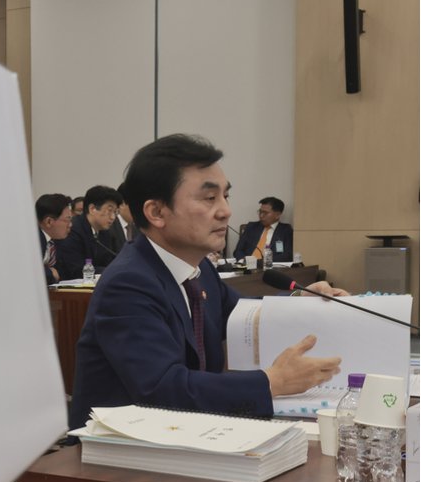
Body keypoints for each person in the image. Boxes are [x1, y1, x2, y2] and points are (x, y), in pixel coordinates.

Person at [67, 134, 345, 429]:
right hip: (123, 445)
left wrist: (300, 301)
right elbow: (161, 388)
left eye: (226, 196)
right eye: (210, 198)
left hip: (190, 433)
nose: (226, 211)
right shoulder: (129, 283)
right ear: (157, 212)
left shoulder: (200, 270)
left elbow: (243, 314)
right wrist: (271, 382)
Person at [54, 185, 122, 280]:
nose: (113, 217)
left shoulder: (105, 232)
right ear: (92, 209)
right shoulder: (72, 230)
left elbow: (109, 261)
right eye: (109, 211)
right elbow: (76, 269)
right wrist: (113, 271)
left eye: (115, 212)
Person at [233, 196, 294, 262]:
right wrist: (243, 261)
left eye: (265, 213)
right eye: (260, 212)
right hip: (247, 265)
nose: (261, 215)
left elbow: (288, 255)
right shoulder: (251, 227)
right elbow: (238, 251)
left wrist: (261, 262)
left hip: (269, 266)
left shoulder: (285, 230)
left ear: (277, 215)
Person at [35, 193, 73, 284]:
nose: (70, 225)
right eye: (67, 220)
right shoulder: (33, 240)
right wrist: (50, 273)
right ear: (49, 222)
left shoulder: (57, 240)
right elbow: (32, 271)